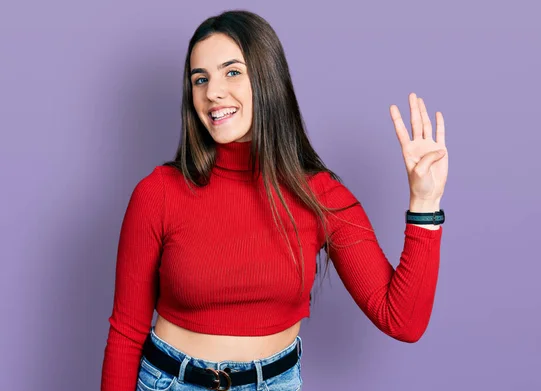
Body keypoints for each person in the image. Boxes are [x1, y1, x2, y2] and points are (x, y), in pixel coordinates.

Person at [101, 9, 448, 391]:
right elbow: (126, 333)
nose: (213, 91)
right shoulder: (159, 192)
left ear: (267, 79)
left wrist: (424, 202)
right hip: (170, 382)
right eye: (200, 79)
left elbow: (403, 321)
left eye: (232, 71)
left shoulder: (319, 195)